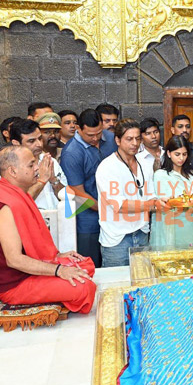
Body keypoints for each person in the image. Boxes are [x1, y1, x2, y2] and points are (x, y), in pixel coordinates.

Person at [0, 146, 96, 314]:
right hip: (16, 284)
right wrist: (59, 270)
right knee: (84, 286)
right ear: (13, 171)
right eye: (31, 165)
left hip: (27, 273)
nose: (37, 167)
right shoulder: (6, 205)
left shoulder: (16, 194)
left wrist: (56, 256)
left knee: (85, 266)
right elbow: (14, 260)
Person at [96, 119, 167, 267]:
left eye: (137, 139)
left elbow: (151, 194)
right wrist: (153, 204)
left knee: (142, 282)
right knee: (115, 285)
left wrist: (164, 202)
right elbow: (119, 206)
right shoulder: (107, 167)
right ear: (117, 140)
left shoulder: (144, 164)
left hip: (141, 233)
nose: (135, 143)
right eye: (129, 139)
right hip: (117, 239)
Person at [60, 109, 117, 267]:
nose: (95, 138)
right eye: (90, 135)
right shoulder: (71, 153)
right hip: (88, 219)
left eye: (99, 133)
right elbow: (77, 193)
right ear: (78, 129)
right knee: (92, 265)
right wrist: (106, 210)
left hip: (116, 214)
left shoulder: (112, 139)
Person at [151, 136, 193, 248]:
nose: (181, 158)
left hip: (192, 226)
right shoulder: (161, 175)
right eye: (177, 154)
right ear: (168, 153)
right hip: (170, 226)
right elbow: (159, 203)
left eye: (184, 154)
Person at [10, 119, 67, 211]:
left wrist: (54, 181)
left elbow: (66, 198)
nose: (39, 144)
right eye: (31, 141)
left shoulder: (50, 160)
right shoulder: (9, 168)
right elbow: (18, 203)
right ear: (16, 143)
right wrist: (41, 181)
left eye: (40, 138)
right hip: (31, 221)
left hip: (56, 220)